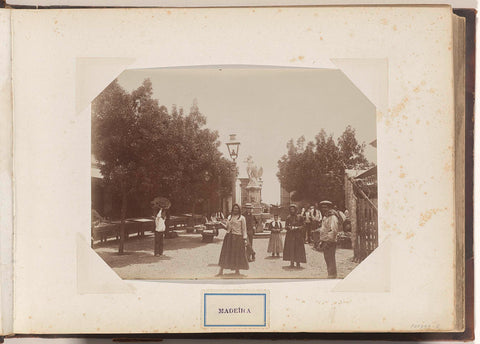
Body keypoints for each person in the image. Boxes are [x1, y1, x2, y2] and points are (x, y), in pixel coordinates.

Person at [217, 204, 249, 276]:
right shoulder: (229, 217)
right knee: (225, 254)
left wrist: (245, 239)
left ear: (239, 210)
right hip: (229, 237)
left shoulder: (242, 218)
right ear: (232, 209)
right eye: (234, 209)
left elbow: (244, 230)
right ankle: (221, 270)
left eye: (237, 209)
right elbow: (227, 228)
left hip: (238, 238)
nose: (235, 210)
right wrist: (222, 225)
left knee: (237, 254)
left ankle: (237, 270)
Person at [319, 200, 340, 278]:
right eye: (322, 207)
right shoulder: (325, 216)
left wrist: (329, 241)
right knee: (327, 259)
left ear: (330, 208)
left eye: (326, 207)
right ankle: (330, 274)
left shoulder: (332, 217)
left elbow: (333, 230)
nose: (324, 209)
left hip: (330, 241)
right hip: (325, 240)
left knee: (330, 259)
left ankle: (332, 275)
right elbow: (324, 228)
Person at [283, 204, 306, 268]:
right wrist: (289, 227)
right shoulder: (288, 217)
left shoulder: (300, 217)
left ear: (296, 210)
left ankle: (298, 263)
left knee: (298, 249)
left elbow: (304, 225)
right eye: (291, 209)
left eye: (293, 209)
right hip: (290, 235)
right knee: (291, 248)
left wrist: (298, 228)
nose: (292, 210)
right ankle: (292, 262)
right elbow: (286, 226)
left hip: (298, 235)